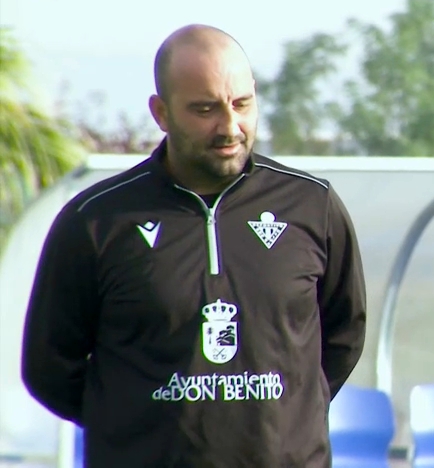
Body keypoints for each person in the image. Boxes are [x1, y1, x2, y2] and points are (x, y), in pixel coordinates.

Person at [20, 24, 367, 468]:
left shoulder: (311, 206)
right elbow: (50, 366)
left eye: (242, 104)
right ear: (161, 113)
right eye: (204, 109)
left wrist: (285, 419)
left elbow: (343, 334)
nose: (229, 127)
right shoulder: (97, 221)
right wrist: (132, 424)